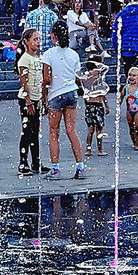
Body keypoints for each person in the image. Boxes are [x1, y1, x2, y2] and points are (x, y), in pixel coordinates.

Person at [39, 20, 84, 180]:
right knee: (71, 130)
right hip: (71, 92)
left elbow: (46, 79)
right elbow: (78, 78)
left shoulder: (48, 54)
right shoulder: (74, 54)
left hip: (55, 95)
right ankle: (80, 166)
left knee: (53, 132)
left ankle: (56, 169)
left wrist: (43, 96)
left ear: (53, 36)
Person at [16, 27, 48, 175]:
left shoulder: (37, 58)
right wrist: (28, 102)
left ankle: (36, 162)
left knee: (35, 132)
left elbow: (40, 80)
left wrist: (42, 98)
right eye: (35, 39)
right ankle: (23, 163)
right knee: (27, 131)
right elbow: (24, 83)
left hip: (37, 99)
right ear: (26, 42)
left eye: (39, 39)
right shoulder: (24, 59)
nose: (38, 42)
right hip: (26, 100)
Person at [80, 54, 110, 157]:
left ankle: (88, 150)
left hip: (89, 105)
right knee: (99, 129)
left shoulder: (86, 76)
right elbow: (102, 94)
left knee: (90, 129)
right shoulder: (98, 76)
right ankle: (100, 150)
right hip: (98, 104)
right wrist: (106, 105)